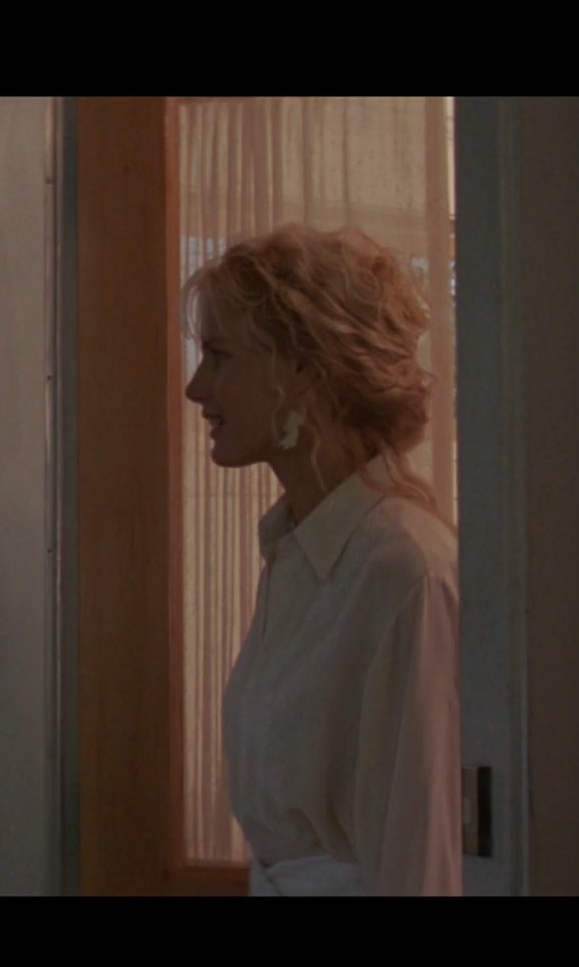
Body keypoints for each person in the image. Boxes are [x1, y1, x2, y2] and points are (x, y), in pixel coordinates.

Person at [182, 224, 461, 896]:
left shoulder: (403, 568)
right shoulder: (299, 554)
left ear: (304, 370)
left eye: (220, 356)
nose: (196, 387)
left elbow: (422, 857)